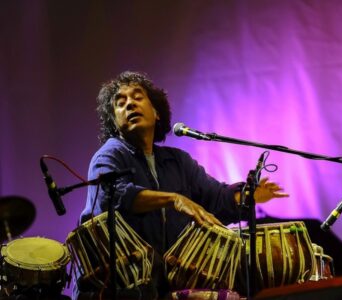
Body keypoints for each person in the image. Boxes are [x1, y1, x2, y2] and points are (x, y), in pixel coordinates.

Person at [75, 71, 288, 298]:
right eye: (121, 103)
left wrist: (245, 197)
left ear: (156, 113)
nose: (129, 105)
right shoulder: (108, 156)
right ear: (115, 122)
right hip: (117, 290)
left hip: (166, 286)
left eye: (137, 97)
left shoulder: (177, 161)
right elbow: (115, 197)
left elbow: (215, 199)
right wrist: (175, 199)